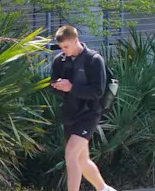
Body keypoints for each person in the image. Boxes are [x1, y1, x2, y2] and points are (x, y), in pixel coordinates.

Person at [49, 25, 117, 191]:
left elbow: (98, 91)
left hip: (90, 113)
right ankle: (104, 189)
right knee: (81, 159)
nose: (63, 51)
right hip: (70, 112)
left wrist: (71, 87)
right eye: (61, 47)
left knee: (71, 154)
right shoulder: (59, 60)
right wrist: (57, 86)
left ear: (75, 40)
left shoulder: (94, 60)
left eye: (66, 46)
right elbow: (53, 85)